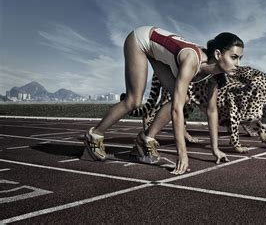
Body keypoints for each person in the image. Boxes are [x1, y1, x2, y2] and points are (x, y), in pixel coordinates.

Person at [83, 26, 244, 175]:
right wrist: (182, 155)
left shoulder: (216, 74)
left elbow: (212, 110)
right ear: (217, 54)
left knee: (184, 98)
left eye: (240, 59)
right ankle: (94, 136)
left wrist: (215, 149)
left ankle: (145, 140)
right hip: (141, 40)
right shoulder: (192, 60)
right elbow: (176, 109)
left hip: (157, 50)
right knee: (134, 100)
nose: (238, 64)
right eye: (234, 57)